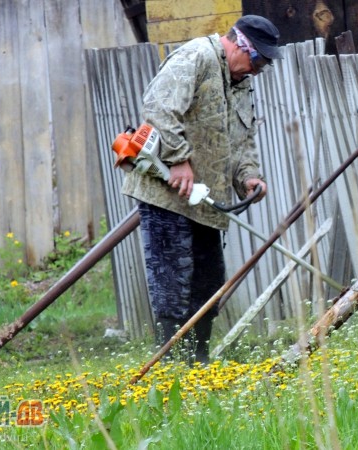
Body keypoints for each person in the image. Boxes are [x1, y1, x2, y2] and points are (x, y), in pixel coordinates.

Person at [122, 15, 282, 363]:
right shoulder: (196, 57)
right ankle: (170, 361)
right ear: (240, 44)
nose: (257, 70)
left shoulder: (239, 81)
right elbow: (158, 107)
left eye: (263, 66)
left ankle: (199, 360)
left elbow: (241, 139)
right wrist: (179, 158)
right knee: (172, 282)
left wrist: (248, 177)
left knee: (209, 281)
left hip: (206, 199)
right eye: (258, 61)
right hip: (167, 195)